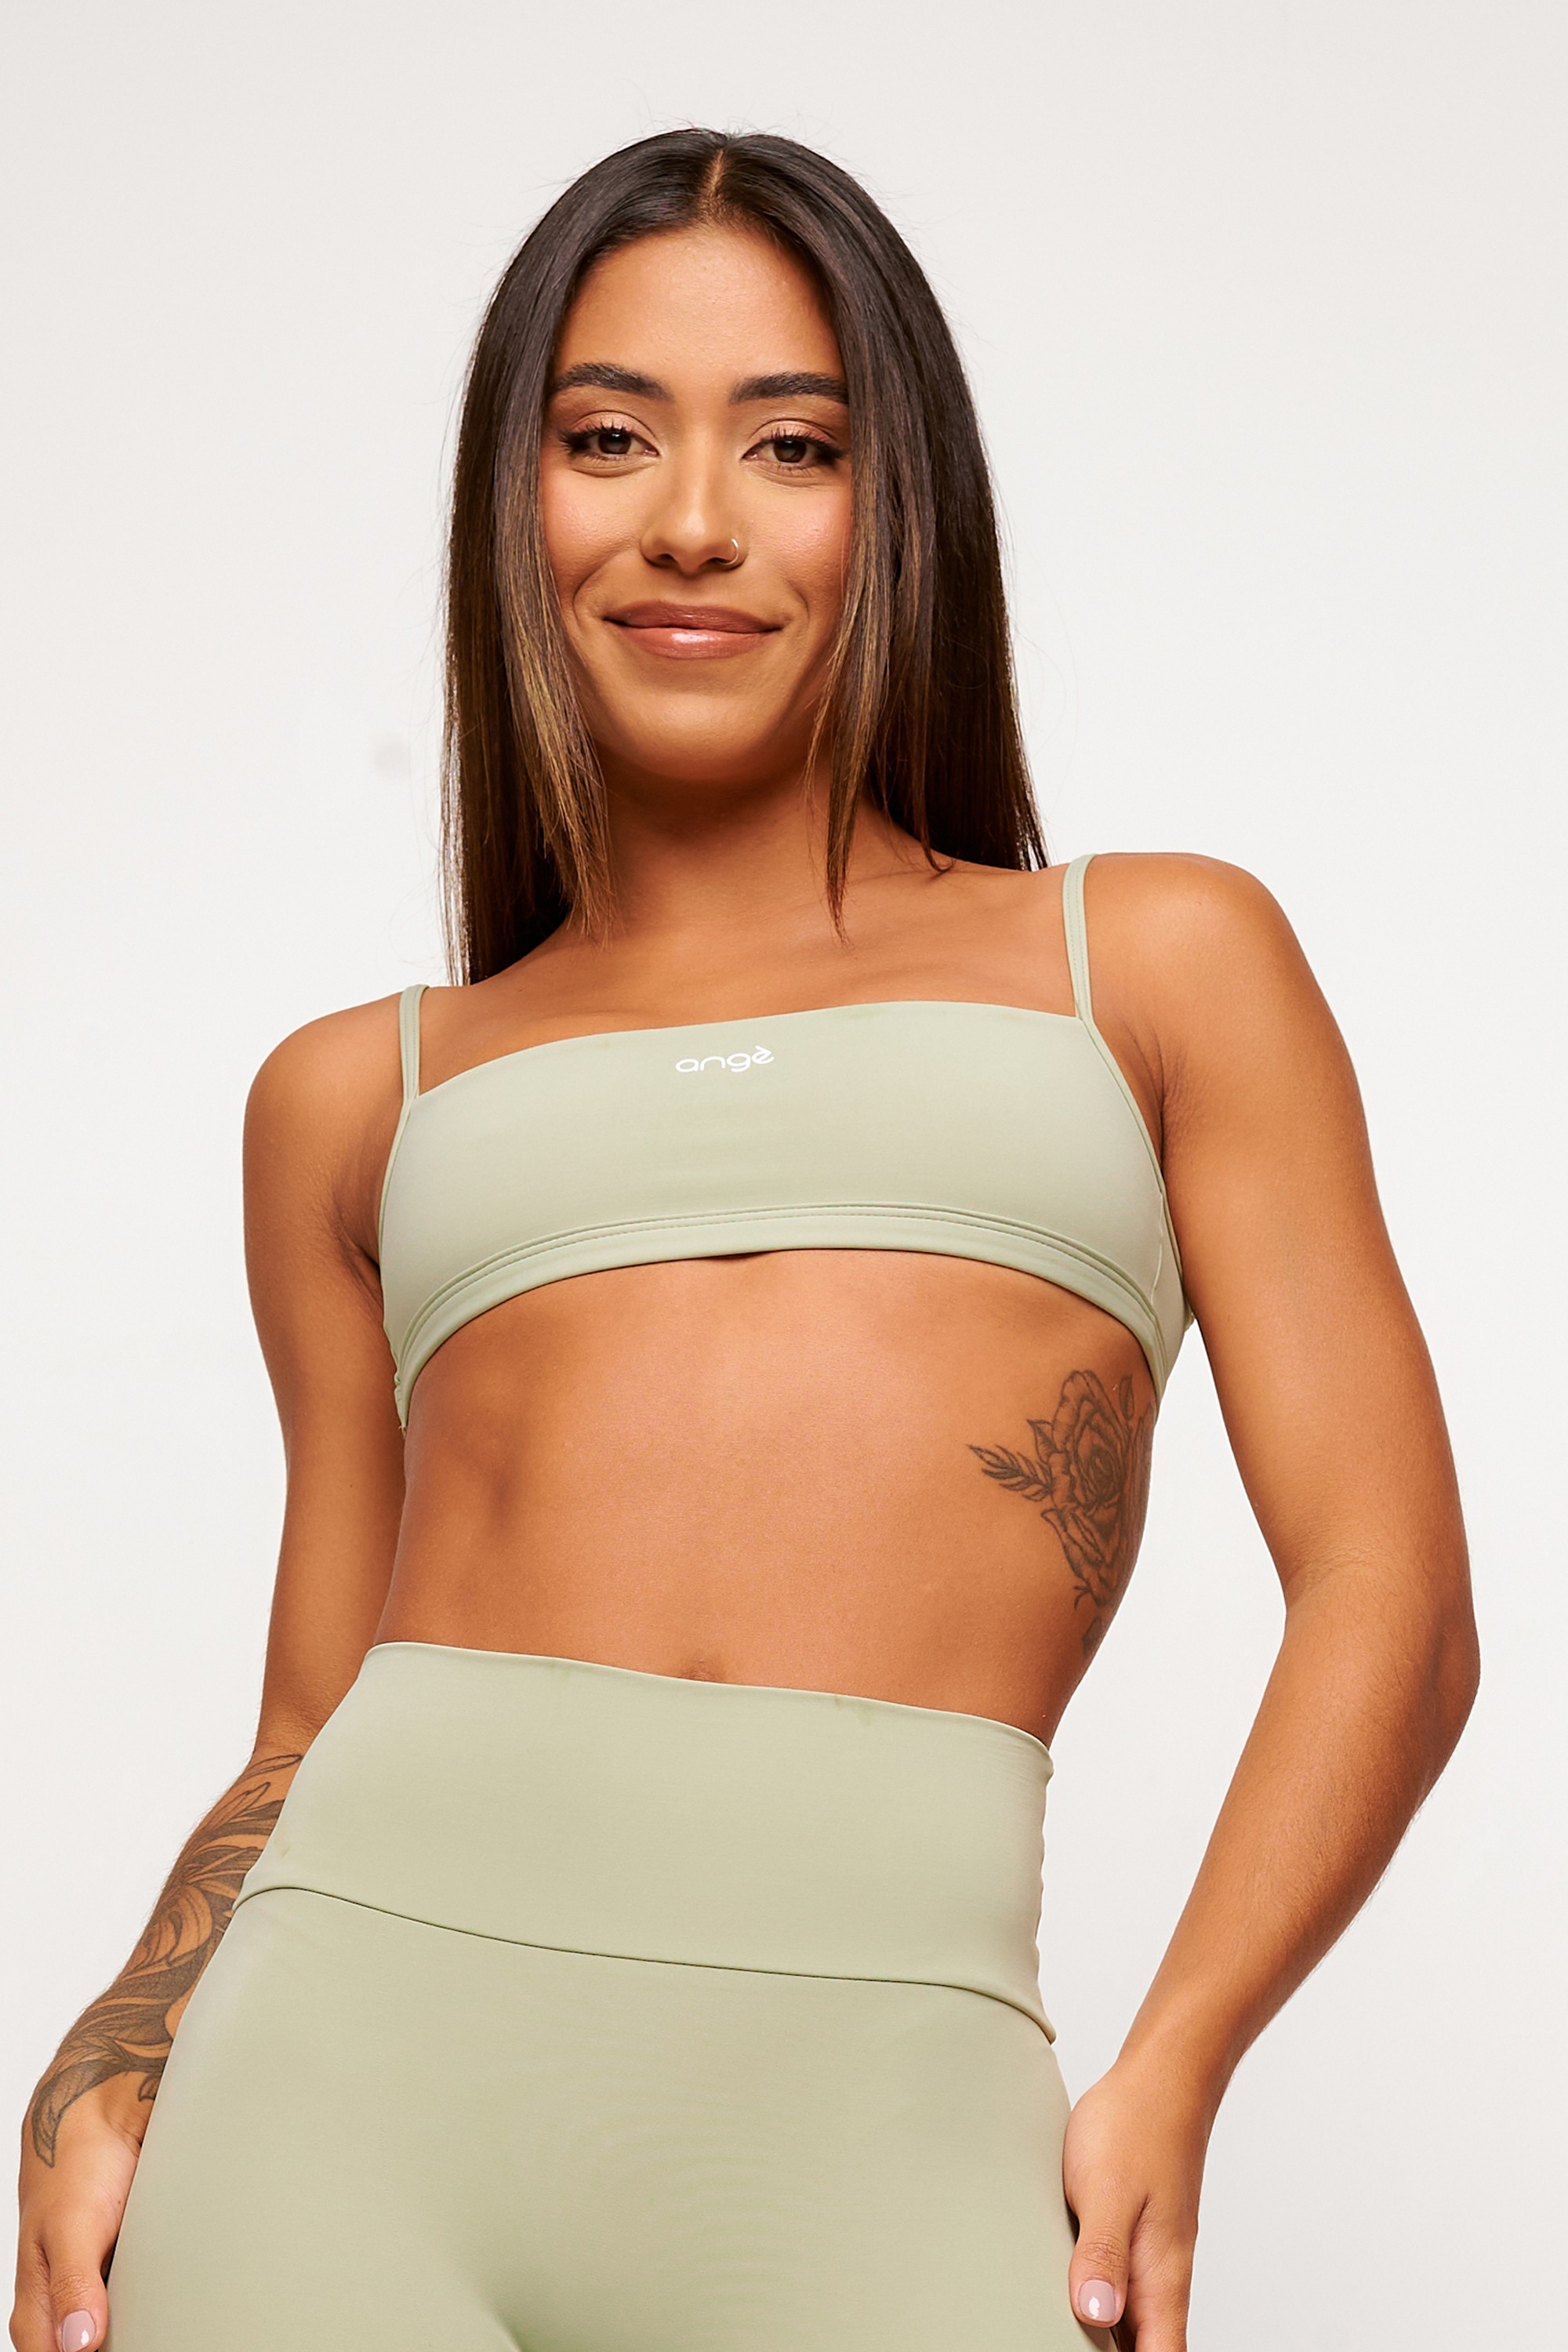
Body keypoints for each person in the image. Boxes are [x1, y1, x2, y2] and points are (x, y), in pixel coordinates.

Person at [12, 129, 1477, 2352]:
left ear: (902, 510)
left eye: (794, 445)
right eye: (607, 437)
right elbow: (307, 1714)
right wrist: (110, 2061)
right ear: (516, 503)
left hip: (881, 2118)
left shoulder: (1155, 967)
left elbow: (1396, 1593)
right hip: (335, 2099)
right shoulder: (355, 1096)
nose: (691, 518)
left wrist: (1176, 2060)